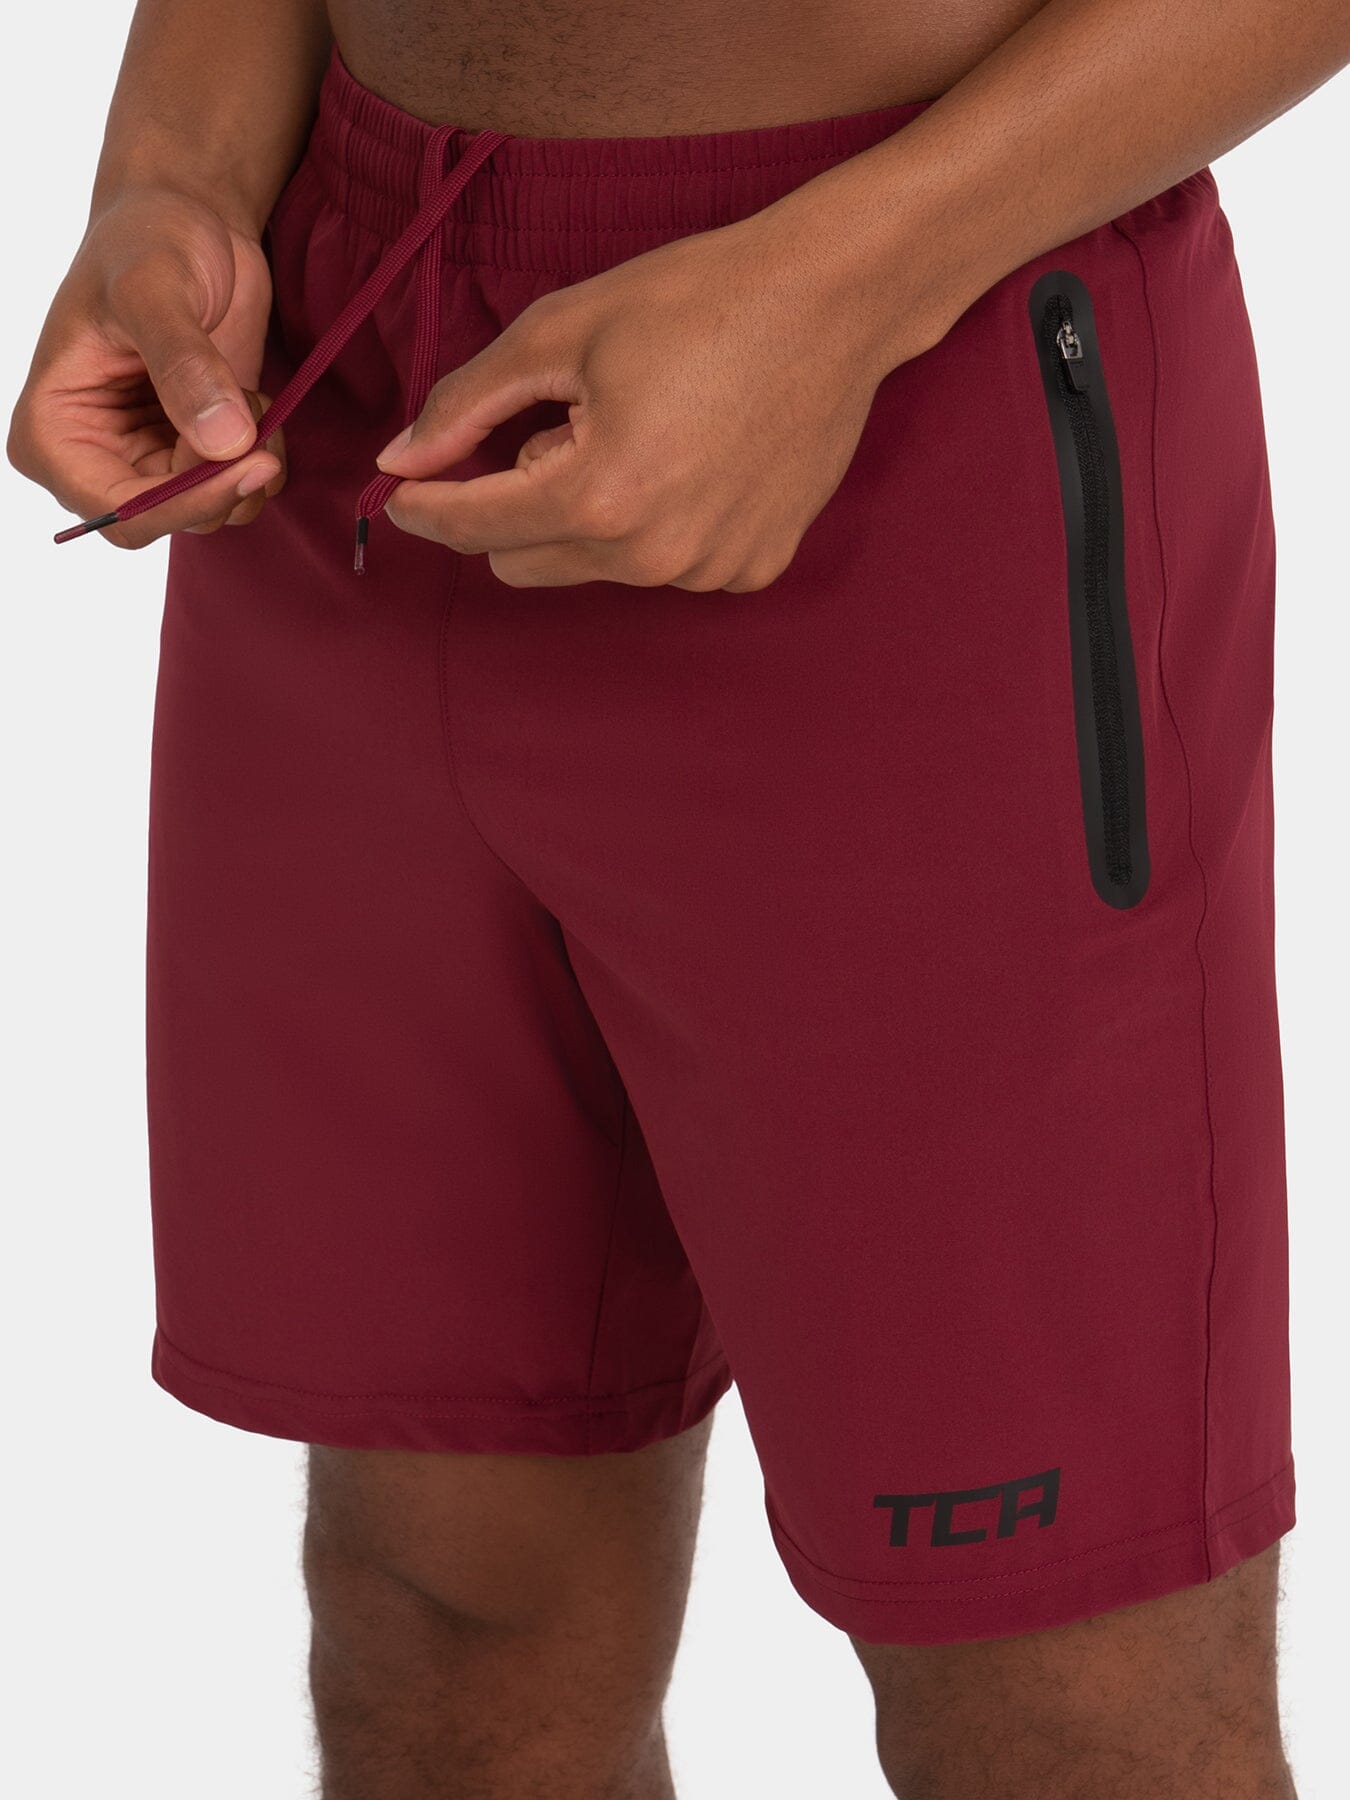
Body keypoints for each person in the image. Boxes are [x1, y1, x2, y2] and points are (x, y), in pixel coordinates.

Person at [11, 0, 1343, 1791]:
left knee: (1060, 1704)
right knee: (441, 1621)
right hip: (346, 369)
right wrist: (172, 172)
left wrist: (838, 290)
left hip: (913, 343)